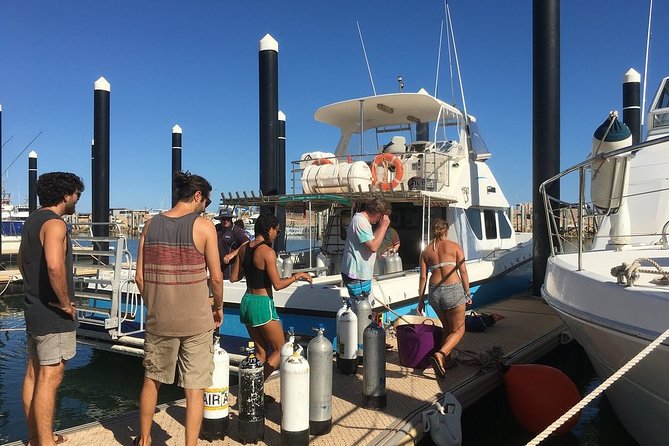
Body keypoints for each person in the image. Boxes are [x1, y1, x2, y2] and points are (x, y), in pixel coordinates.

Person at [134, 171, 223, 446]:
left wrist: (156, 303)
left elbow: (139, 277)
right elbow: (216, 278)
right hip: (196, 321)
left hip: (160, 319)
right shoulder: (204, 227)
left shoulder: (150, 225)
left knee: (152, 380)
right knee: (194, 389)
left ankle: (146, 440)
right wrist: (217, 307)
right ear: (198, 196)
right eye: (206, 202)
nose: (206, 207)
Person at [18, 172, 84, 446]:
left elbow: (22, 263)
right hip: (53, 315)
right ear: (66, 195)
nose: (78, 199)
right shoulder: (55, 225)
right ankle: (46, 442)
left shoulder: (32, 221)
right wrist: (66, 303)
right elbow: (55, 266)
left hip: (34, 309)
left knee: (34, 374)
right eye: (77, 194)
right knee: (50, 377)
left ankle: (36, 438)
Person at [230, 213, 312, 380]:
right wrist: (298, 276)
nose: (277, 234)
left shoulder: (244, 247)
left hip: (246, 302)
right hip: (262, 304)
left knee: (260, 353)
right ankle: (256, 388)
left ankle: (250, 392)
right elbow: (278, 284)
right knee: (280, 349)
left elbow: (234, 277)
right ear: (269, 229)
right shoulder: (267, 252)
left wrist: (249, 267)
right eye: (277, 230)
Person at [417, 219, 471, 380]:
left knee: (447, 327)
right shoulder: (454, 247)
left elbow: (422, 277)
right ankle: (440, 354)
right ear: (446, 231)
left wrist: (420, 300)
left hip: (434, 292)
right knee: (459, 329)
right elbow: (463, 272)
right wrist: (467, 293)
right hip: (452, 290)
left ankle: (446, 361)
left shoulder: (426, 251)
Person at [340, 197, 392, 307]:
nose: (380, 220)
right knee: (362, 309)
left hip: (361, 275)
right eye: (381, 217)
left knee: (365, 308)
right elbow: (373, 246)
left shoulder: (363, 222)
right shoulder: (360, 222)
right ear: (378, 213)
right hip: (357, 275)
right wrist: (383, 226)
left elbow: (373, 239)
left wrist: (380, 226)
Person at [215, 210, 250, 280]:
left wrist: (231, 255)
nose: (226, 221)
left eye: (228, 219)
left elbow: (247, 243)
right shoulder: (216, 228)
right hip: (217, 265)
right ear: (220, 219)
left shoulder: (236, 230)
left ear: (231, 219)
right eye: (223, 219)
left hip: (230, 267)